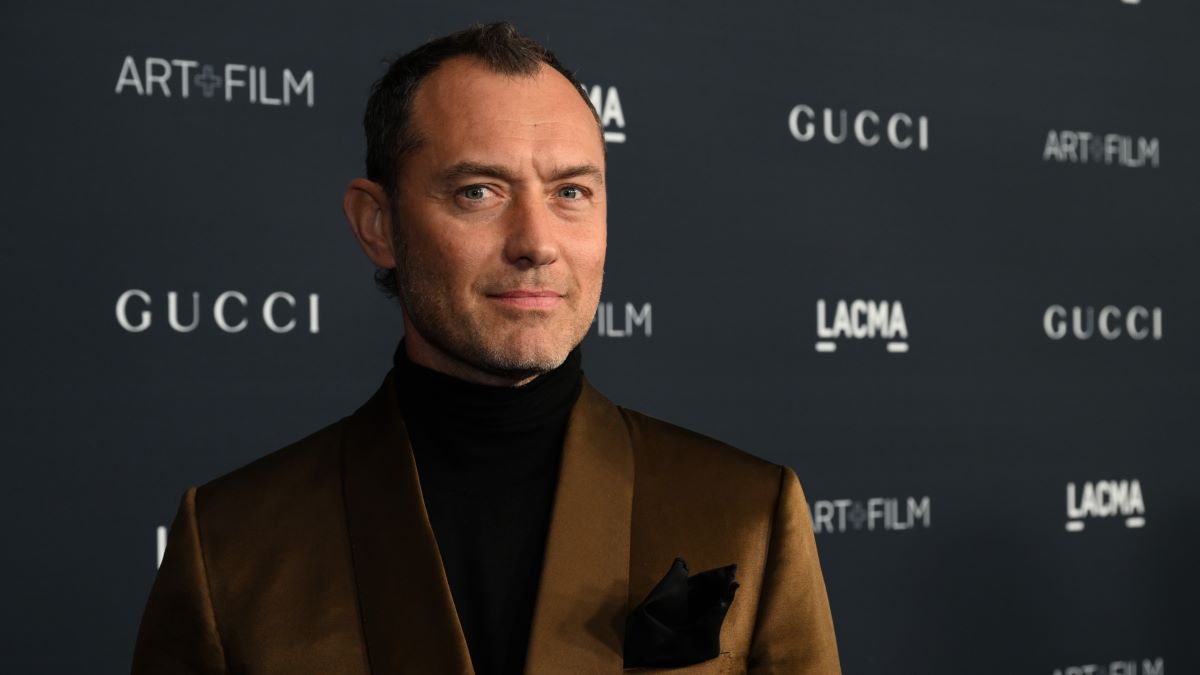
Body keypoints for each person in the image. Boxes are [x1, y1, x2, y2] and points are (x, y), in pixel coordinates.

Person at [131, 22, 841, 675]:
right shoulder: (229, 546)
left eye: (570, 192)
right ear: (377, 224)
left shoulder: (751, 514)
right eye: (478, 191)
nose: (536, 241)